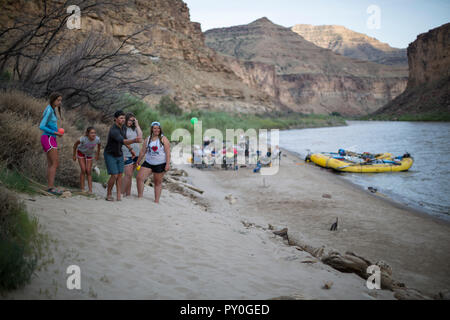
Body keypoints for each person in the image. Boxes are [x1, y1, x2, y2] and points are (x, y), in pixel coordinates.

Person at [104, 110, 142, 201]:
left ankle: (118, 195)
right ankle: (109, 194)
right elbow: (123, 141)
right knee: (114, 175)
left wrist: (131, 149)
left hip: (119, 154)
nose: (123, 120)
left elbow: (124, 141)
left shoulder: (123, 128)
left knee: (120, 175)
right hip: (110, 154)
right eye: (121, 118)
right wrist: (134, 140)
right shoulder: (114, 130)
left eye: (124, 118)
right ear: (115, 119)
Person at [136, 121, 170, 203]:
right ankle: (140, 197)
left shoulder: (163, 139)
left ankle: (156, 201)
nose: (156, 130)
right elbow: (142, 151)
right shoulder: (148, 139)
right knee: (139, 178)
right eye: (154, 128)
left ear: (160, 129)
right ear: (151, 129)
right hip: (148, 162)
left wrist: (167, 164)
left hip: (160, 164)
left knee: (157, 182)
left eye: (158, 128)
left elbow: (168, 153)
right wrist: (138, 161)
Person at [39, 92, 63, 196]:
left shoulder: (52, 110)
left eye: (60, 100)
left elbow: (50, 125)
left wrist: (57, 131)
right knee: (55, 163)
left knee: (51, 164)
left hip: (51, 138)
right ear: (53, 100)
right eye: (58, 100)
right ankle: (51, 188)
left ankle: (50, 187)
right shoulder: (49, 110)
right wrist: (55, 132)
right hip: (48, 138)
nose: (60, 102)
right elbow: (41, 126)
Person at [72, 127, 101, 194]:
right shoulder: (83, 139)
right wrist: (74, 155)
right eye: (91, 133)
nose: (94, 134)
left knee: (88, 171)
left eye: (94, 133)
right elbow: (75, 145)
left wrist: (97, 155)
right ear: (88, 134)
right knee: (83, 170)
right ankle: (82, 189)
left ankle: (90, 190)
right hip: (81, 153)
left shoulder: (97, 139)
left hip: (89, 154)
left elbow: (99, 146)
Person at [121, 113, 142, 197]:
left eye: (133, 120)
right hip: (127, 154)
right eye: (129, 120)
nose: (131, 122)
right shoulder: (123, 128)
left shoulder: (135, 129)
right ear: (126, 119)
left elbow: (140, 137)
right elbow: (121, 141)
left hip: (136, 154)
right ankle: (121, 193)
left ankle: (128, 193)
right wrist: (122, 155)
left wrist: (137, 125)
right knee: (128, 175)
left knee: (130, 176)